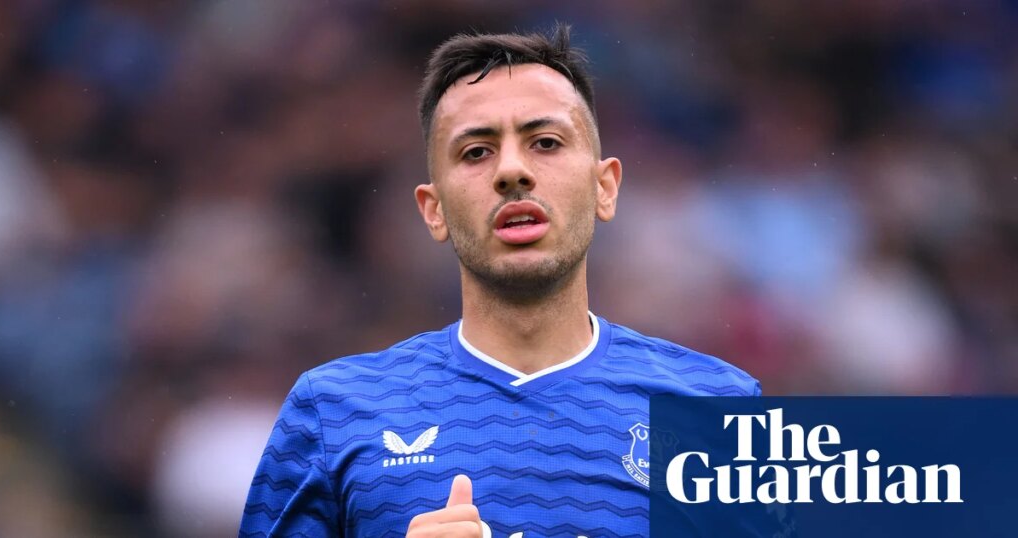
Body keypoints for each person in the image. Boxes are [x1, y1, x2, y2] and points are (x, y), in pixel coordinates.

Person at [239, 23, 759, 537]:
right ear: (434, 210)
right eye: (476, 152)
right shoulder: (332, 410)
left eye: (546, 142)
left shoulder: (720, 408)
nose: (512, 171)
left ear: (605, 188)